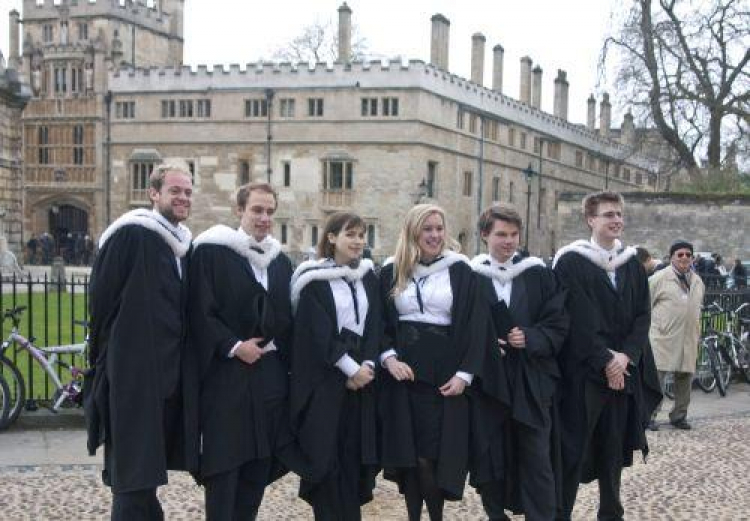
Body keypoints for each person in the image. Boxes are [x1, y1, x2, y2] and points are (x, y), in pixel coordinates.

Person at [85, 163, 198, 521]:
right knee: (133, 475)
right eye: (175, 190)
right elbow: (101, 300)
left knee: (144, 474)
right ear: (154, 194)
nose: (182, 197)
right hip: (133, 374)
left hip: (166, 376)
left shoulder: (182, 245)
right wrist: (111, 358)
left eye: (187, 192)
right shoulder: (132, 234)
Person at [188, 182, 297, 520]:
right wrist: (233, 346)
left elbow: (289, 320)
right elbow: (198, 310)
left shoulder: (280, 263)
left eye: (269, 212)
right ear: (240, 211)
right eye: (257, 210)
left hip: (268, 383)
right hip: (227, 382)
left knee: (255, 475)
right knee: (224, 473)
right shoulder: (211, 252)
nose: (264, 218)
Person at [552, 191, 661, 521]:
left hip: (623, 373)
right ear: (590, 220)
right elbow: (574, 318)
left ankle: (611, 512)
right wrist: (606, 360)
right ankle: (561, 514)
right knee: (573, 448)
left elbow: (643, 315)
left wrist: (626, 356)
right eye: (608, 214)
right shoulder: (570, 262)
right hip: (584, 374)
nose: (616, 220)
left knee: (614, 448)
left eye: (618, 214)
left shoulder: (631, 264)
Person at [378, 204, 486, 521]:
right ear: (413, 232)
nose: (435, 235)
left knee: (432, 455)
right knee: (408, 454)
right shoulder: (391, 271)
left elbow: (476, 326)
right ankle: (413, 516)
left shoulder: (460, 271)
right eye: (428, 229)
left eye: (439, 228)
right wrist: (389, 359)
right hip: (404, 376)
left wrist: (465, 374)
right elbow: (379, 324)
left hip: (442, 379)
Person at [470, 205, 569, 521]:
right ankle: (495, 515)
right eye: (501, 234)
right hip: (488, 381)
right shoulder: (470, 277)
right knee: (490, 454)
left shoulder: (537, 274)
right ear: (485, 235)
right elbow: (458, 327)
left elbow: (558, 321)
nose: (509, 241)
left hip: (531, 379)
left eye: (514, 234)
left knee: (536, 457)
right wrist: (485, 347)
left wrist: (530, 337)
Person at [289, 211, 381, 520]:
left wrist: (366, 365)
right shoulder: (313, 280)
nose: (357, 241)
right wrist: (349, 369)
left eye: (361, 235)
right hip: (326, 382)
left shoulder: (368, 276)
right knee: (327, 462)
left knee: (353, 459)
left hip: (362, 383)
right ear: (331, 238)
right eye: (350, 234)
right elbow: (315, 331)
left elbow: (375, 325)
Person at [648, 240, 705, 431]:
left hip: (688, 338)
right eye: (680, 254)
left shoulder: (697, 281)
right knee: (657, 380)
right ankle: (649, 416)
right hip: (663, 337)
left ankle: (679, 416)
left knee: (685, 380)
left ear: (692, 258)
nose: (684, 258)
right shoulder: (659, 278)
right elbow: (645, 305)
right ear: (672, 256)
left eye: (688, 254)